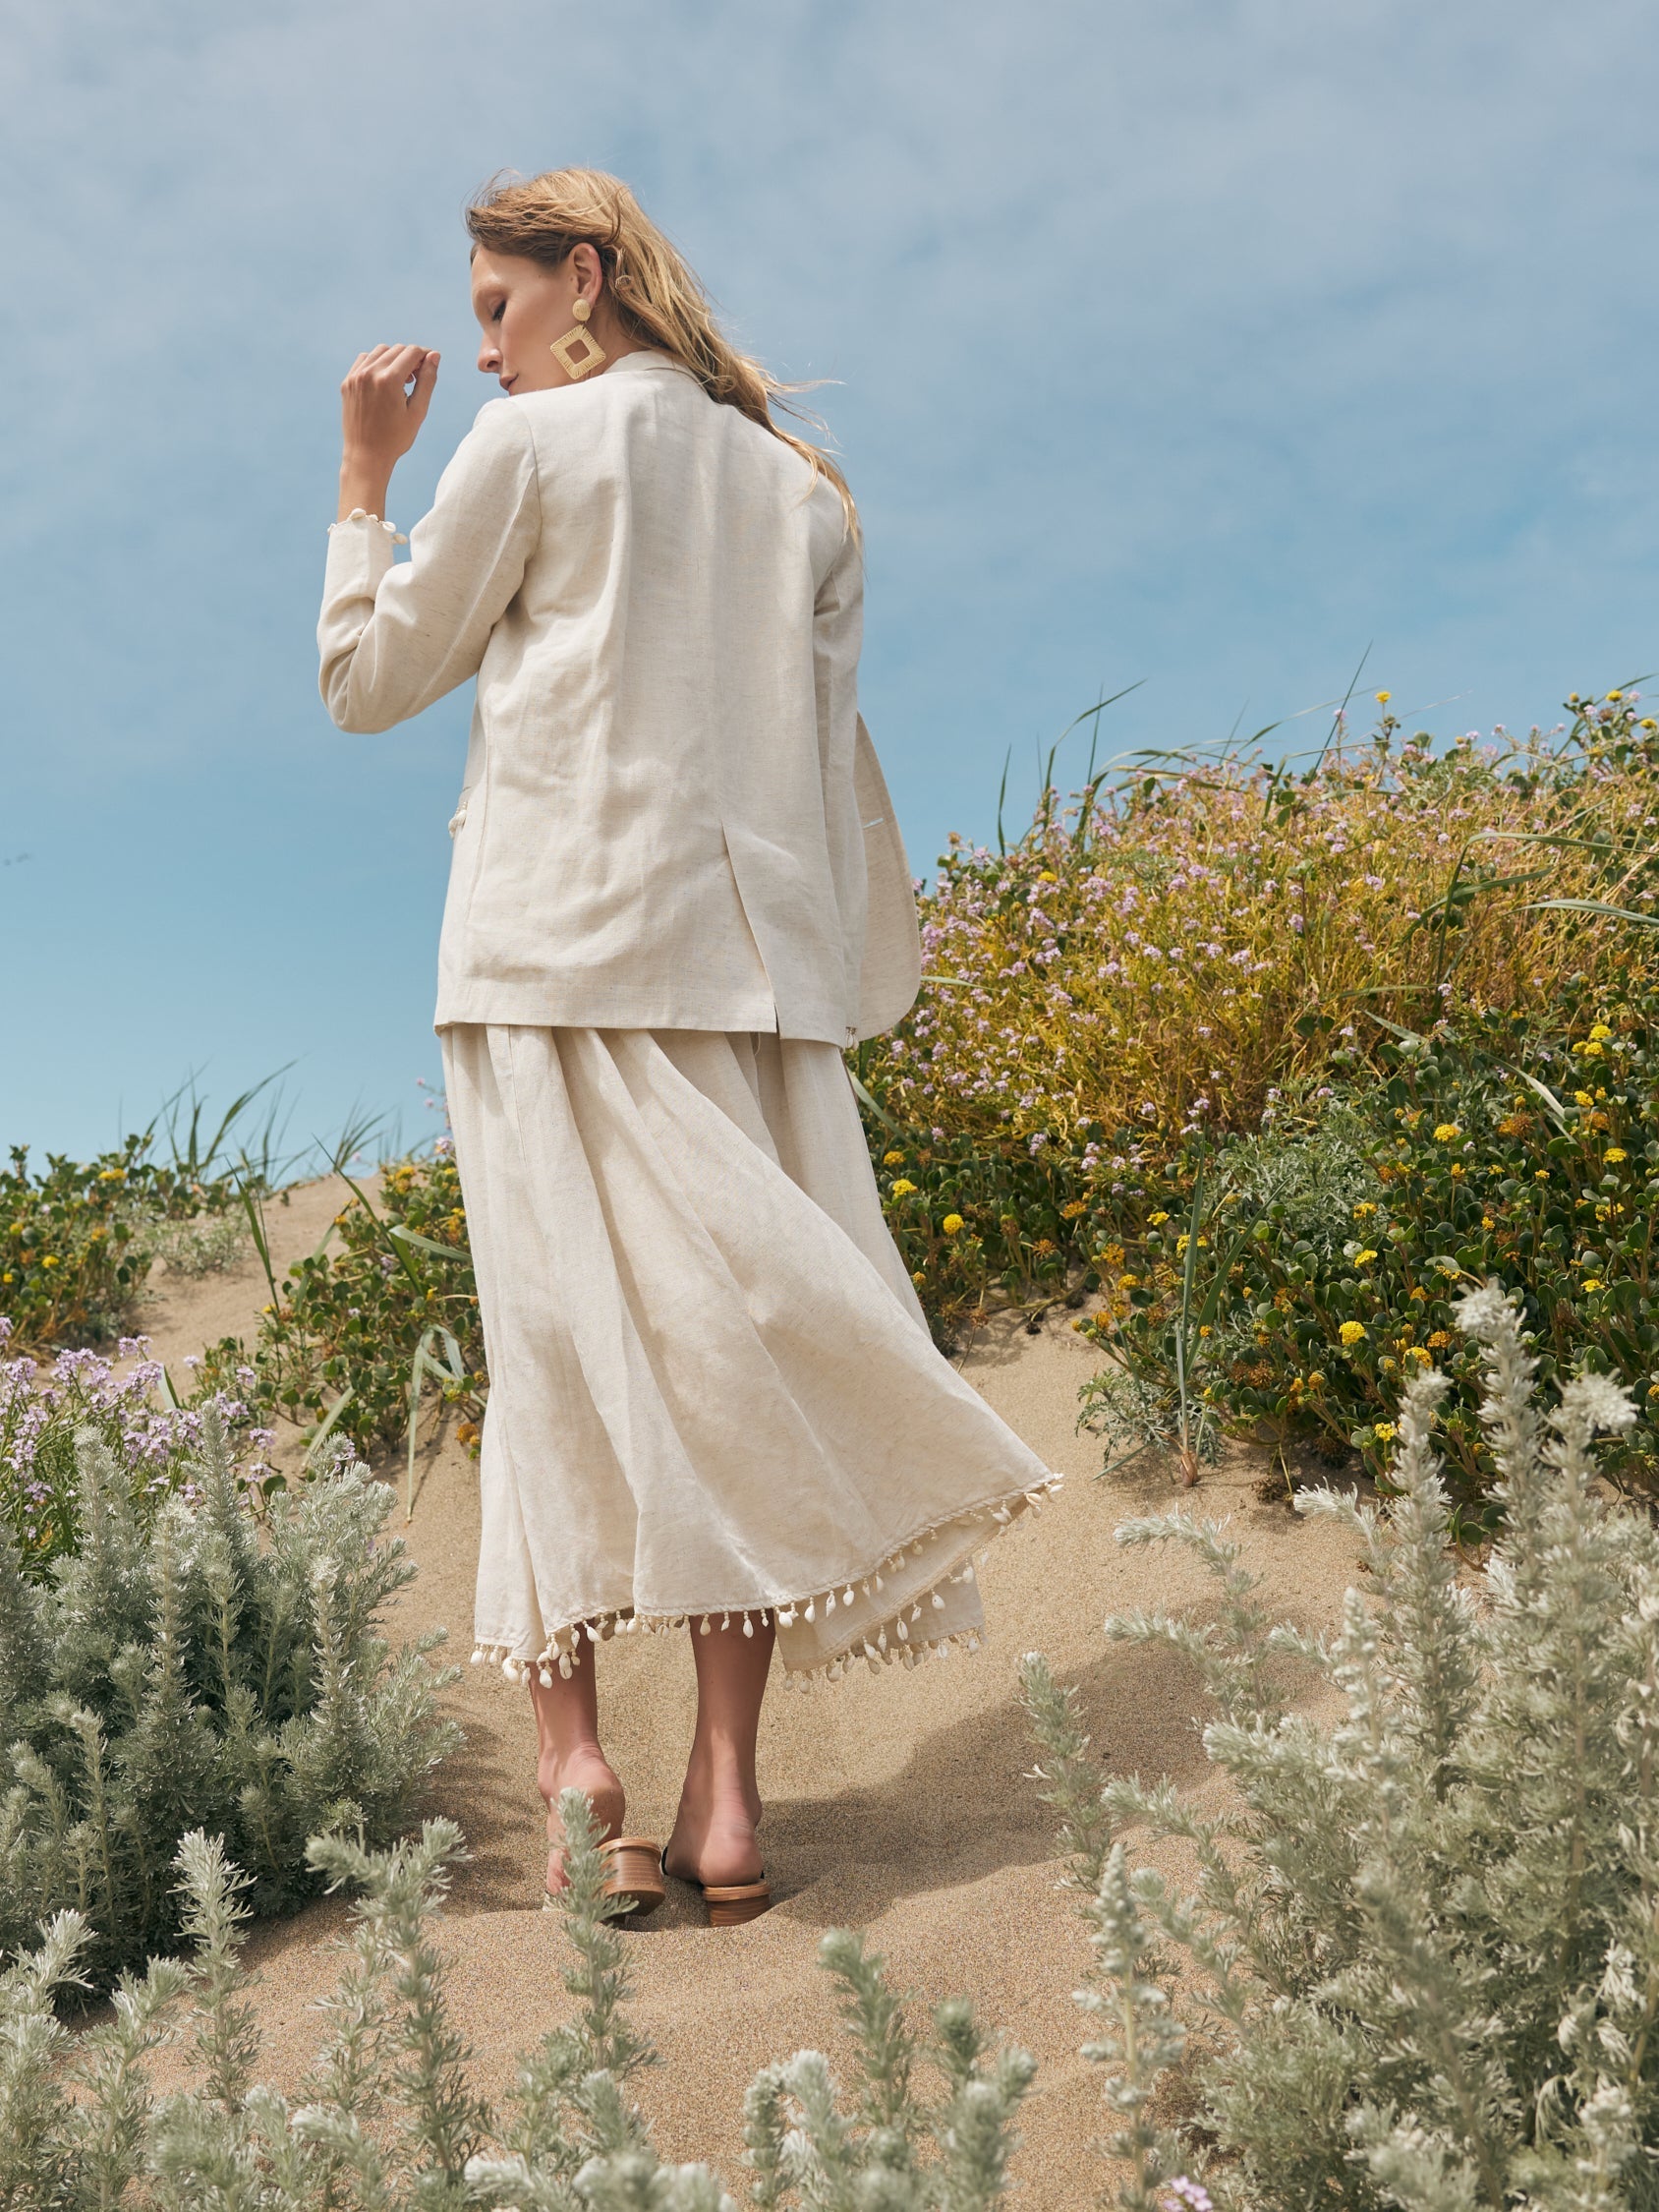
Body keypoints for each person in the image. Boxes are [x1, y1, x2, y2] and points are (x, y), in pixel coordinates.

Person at [317, 167, 1058, 1928]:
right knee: (724, 1364)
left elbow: (366, 679)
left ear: (582, 278)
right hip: (751, 976)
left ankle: (580, 1767)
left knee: (555, 1357)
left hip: (543, 960)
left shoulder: (526, 448)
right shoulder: (804, 494)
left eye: (497, 308)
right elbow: (829, 758)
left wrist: (363, 480)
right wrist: (818, 975)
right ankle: (727, 1796)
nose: (484, 351)